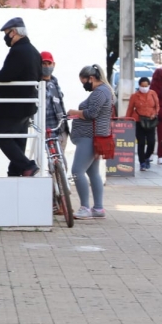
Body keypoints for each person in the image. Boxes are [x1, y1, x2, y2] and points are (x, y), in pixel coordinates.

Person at [0, 17, 43, 177]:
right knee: (18, 140)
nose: (6, 37)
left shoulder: (18, 51)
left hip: (14, 106)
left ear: (14, 32)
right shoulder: (33, 51)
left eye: (7, 33)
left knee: (0, 135)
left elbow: (6, 74)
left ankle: (27, 166)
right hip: (27, 104)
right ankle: (15, 172)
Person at [67, 64, 113, 220]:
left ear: (91, 78)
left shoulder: (99, 92)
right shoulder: (103, 91)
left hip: (89, 137)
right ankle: (98, 208)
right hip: (93, 137)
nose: (84, 85)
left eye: (84, 82)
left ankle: (85, 207)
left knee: (77, 171)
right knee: (92, 173)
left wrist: (74, 112)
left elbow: (91, 113)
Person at [127, 77, 160, 171]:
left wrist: (155, 113)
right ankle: (142, 162)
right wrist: (127, 119)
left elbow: (157, 106)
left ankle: (147, 157)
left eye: (146, 86)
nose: (144, 88)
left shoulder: (153, 93)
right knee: (141, 142)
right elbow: (130, 108)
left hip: (150, 121)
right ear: (139, 85)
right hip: (138, 121)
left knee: (151, 142)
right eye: (142, 86)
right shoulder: (134, 96)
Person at [40, 51, 70, 153]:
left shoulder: (54, 82)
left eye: (49, 63)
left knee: (61, 161)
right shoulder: (37, 84)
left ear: (53, 65)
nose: (47, 66)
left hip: (61, 128)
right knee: (53, 159)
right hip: (47, 128)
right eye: (44, 64)